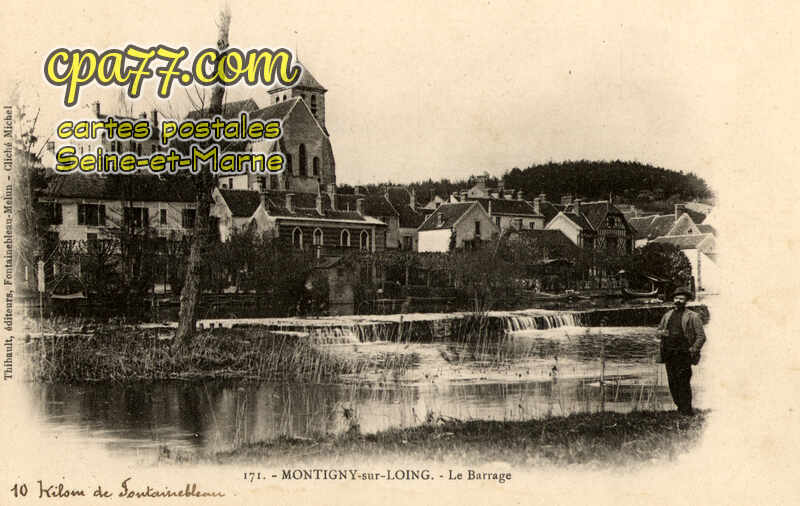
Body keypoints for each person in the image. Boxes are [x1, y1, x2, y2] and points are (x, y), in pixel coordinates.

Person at [657, 286, 707, 416]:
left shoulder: (693, 316)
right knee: (672, 382)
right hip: (669, 354)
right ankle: (680, 408)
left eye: (681, 298)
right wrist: (662, 333)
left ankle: (687, 410)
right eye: (676, 298)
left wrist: (692, 350)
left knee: (683, 381)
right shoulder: (667, 315)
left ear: (686, 301)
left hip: (684, 354)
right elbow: (658, 332)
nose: (678, 300)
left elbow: (701, 337)